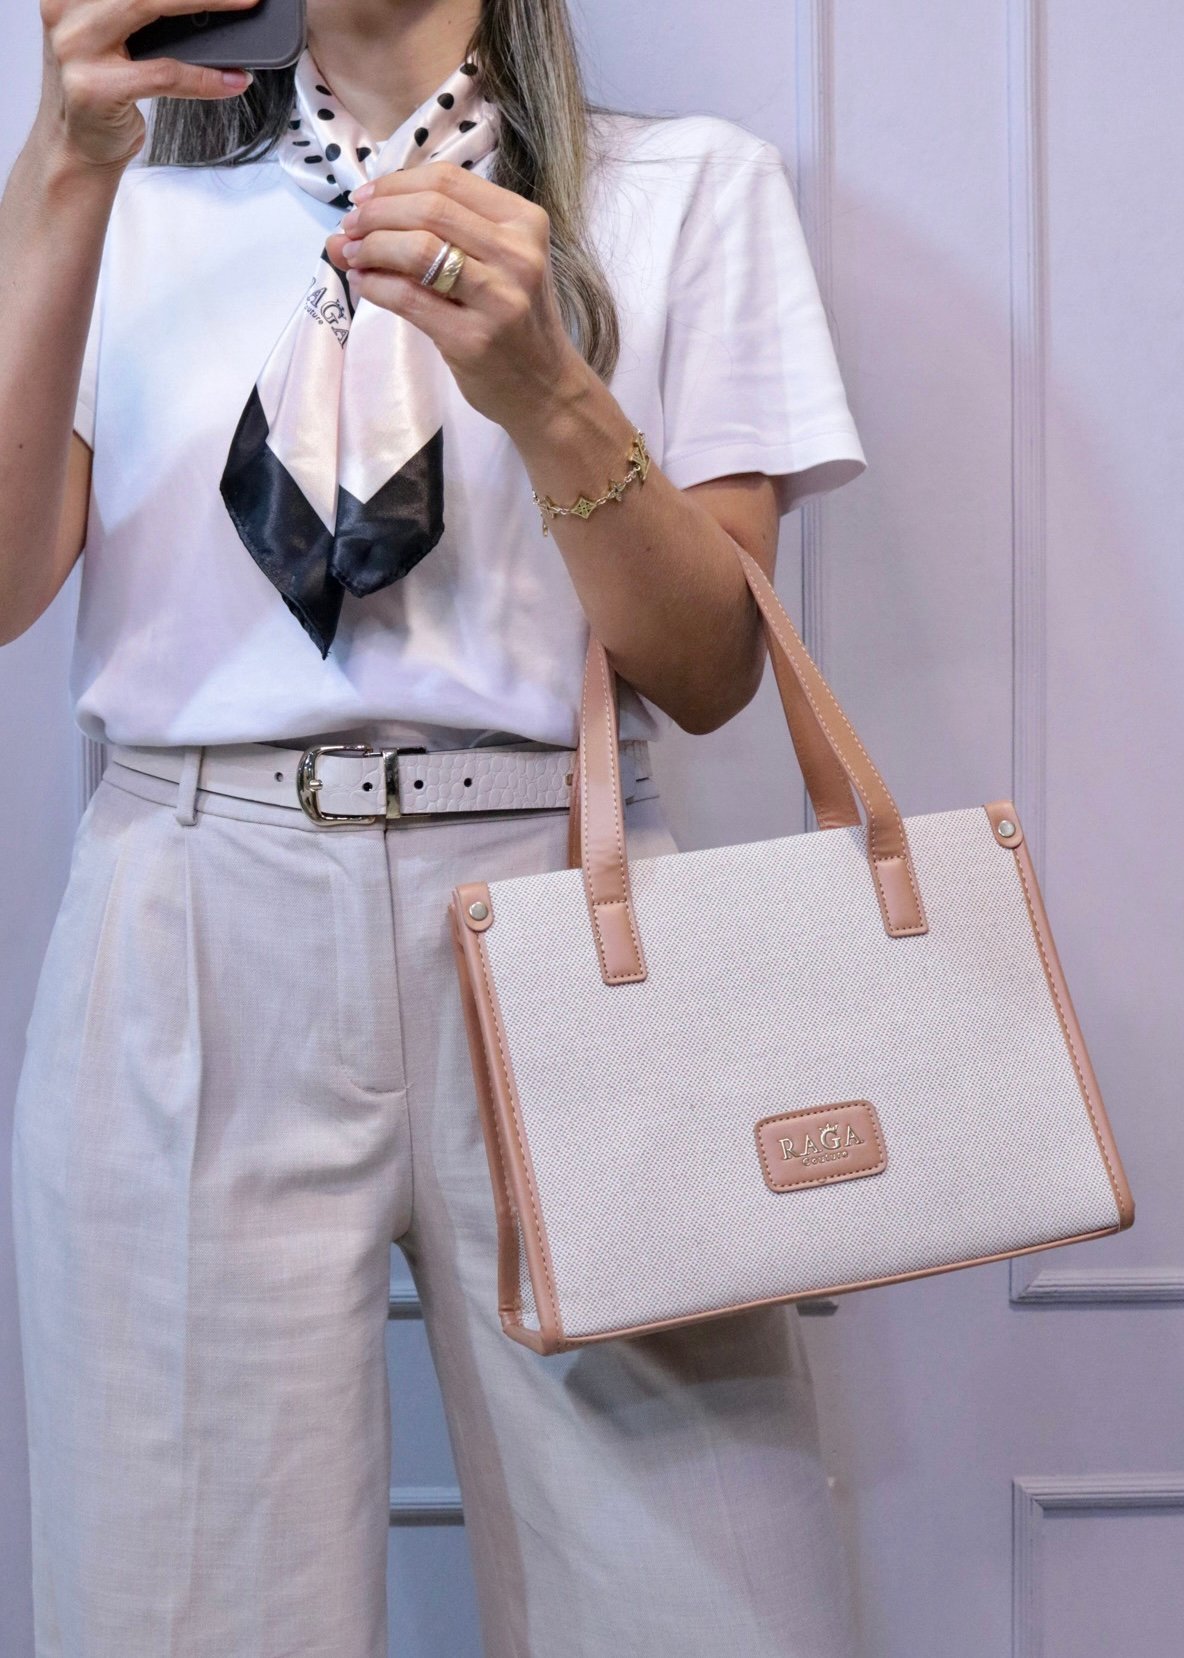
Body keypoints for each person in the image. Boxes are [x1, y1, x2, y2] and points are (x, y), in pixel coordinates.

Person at [3, 0, 869, 1652]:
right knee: (180, 1614)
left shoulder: (684, 190)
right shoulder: (117, 204)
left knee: (706, 1609)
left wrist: (548, 387)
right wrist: (62, 160)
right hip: (188, 919)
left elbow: (705, 673)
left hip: (570, 909)